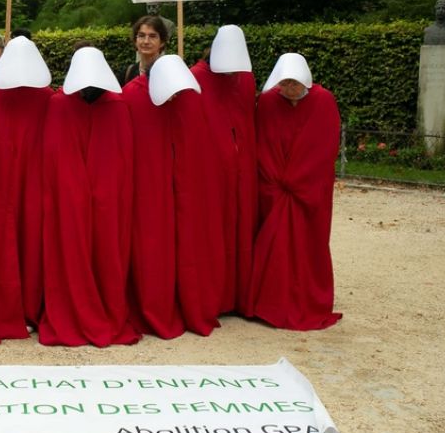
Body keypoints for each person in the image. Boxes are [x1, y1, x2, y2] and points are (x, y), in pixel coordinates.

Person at [38, 45, 138, 347]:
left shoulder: (117, 107)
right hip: (69, 200)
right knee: (71, 250)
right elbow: (55, 157)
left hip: (108, 201)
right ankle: (76, 309)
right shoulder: (59, 105)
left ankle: (106, 308)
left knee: (107, 253)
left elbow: (121, 160)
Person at [124, 55, 223, 338]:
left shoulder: (190, 98)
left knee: (187, 246)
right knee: (152, 248)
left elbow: (198, 143)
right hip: (148, 187)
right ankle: (153, 304)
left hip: (184, 187)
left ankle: (187, 301)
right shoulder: (132, 95)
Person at [0, 36, 53, 346]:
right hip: (5, 184)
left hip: (24, 183)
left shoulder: (45, 98)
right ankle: (12, 309)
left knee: (30, 243)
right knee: (15, 242)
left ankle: (29, 308)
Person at [251, 53, 342, 330]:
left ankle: (306, 298)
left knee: (307, 244)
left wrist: (296, 179)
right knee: (273, 245)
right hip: (275, 189)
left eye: (294, 84)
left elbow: (324, 149)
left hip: (306, 189)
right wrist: (275, 178)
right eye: (284, 83)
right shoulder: (267, 102)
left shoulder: (323, 102)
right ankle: (269, 301)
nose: (289, 89)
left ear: (306, 82)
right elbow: (262, 143)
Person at [190, 24, 258, 316]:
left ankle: (239, 294)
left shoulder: (245, 79)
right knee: (211, 229)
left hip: (241, 168)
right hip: (208, 168)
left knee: (241, 227)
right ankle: (213, 294)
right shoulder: (196, 78)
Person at [121, 15, 168, 85]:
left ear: (162, 42)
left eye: (152, 36)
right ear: (135, 41)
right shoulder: (127, 74)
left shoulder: (170, 73)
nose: (146, 41)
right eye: (141, 35)